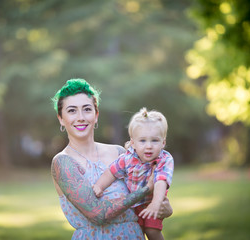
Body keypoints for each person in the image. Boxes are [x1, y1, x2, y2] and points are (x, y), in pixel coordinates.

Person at [51, 79, 173, 239]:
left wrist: (165, 207)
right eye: (72, 111)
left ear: (96, 115)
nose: (80, 117)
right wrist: (146, 189)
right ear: (61, 118)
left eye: (87, 109)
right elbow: (98, 214)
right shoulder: (62, 162)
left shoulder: (119, 152)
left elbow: (150, 203)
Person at [93, 108, 174, 240]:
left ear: (163, 143)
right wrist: (99, 186)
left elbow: (160, 180)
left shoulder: (164, 159)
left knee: (152, 230)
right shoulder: (127, 158)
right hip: (133, 205)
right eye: (142, 141)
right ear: (133, 143)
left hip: (152, 202)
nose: (149, 146)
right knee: (136, 233)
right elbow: (111, 172)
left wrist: (156, 203)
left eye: (154, 140)